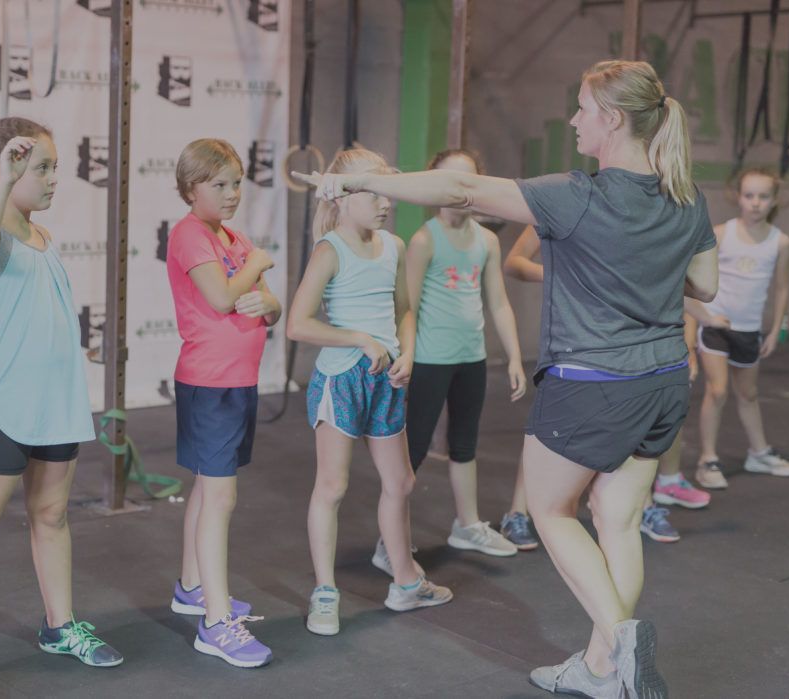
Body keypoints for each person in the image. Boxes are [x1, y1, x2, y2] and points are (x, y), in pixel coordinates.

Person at [294, 60, 719, 699]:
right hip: (662, 381)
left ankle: (619, 638)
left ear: (609, 119)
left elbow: (458, 192)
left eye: (580, 108)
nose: (573, 119)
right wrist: (644, 272)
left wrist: (349, 178)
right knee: (619, 521)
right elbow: (706, 285)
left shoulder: (578, 194)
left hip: (592, 385)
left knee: (550, 508)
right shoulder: (686, 195)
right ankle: (603, 666)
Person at [0, 118, 121, 699]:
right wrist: (4, 182)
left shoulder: (42, 236)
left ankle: (60, 626)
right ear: (4, 171)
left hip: (56, 403)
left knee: (52, 516)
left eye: (54, 167)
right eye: (42, 168)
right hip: (3, 405)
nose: (55, 178)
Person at [288, 148, 454, 639]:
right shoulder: (329, 250)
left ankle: (405, 581)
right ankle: (324, 591)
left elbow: (404, 308)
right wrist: (359, 339)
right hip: (342, 379)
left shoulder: (394, 246)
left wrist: (407, 352)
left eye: (387, 192)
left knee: (400, 482)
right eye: (373, 192)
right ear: (342, 198)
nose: (385, 202)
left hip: (387, 380)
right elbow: (299, 324)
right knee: (332, 486)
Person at [505, 226, 711, 546]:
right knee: (546, 434)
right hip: (571, 342)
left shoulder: (631, 215)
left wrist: (704, 316)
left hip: (625, 344)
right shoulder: (555, 206)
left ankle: (643, 506)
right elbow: (514, 263)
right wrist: (564, 274)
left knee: (634, 426)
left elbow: (658, 282)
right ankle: (518, 513)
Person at [166, 138, 281, 668]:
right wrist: (257, 263)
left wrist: (271, 302)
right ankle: (215, 622)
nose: (233, 193)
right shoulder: (191, 235)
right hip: (211, 384)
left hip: (236, 381)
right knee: (221, 499)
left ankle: (192, 587)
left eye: (237, 182)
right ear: (192, 189)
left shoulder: (230, 236)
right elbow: (219, 296)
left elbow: (261, 302)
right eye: (220, 184)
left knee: (208, 491)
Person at [398, 148, 526, 562]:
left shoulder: (487, 241)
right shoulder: (423, 240)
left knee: (464, 444)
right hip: (430, 362)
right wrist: (408, 357)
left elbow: (499, 303)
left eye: (466, 181)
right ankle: (393, 537)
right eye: (447, 181)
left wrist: (515, 357)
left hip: (470, 360)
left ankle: (467, 525)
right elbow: (408, 307)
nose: (457, 191)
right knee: (413, 449)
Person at [692, 168, 789, 488]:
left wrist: (775, 329)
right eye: (749, 195)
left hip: (749, 330)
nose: (755, 203)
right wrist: (699, 318)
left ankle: (758, 453)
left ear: (774, 200)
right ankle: (707, 459)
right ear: (739, 197)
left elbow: (781, 288)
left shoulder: (781, 242)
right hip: (717, 323)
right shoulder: (721, 233)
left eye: (763, 197)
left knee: (748, 394)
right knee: (717, 390)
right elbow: (695, 281)